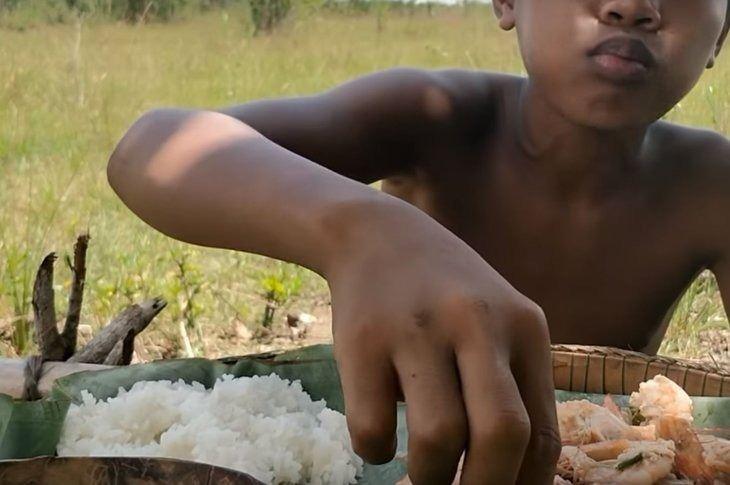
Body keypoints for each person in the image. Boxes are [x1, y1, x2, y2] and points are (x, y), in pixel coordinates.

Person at [105, 1, 730, 483]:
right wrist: (363, 232)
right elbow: (151, 148)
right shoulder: (432, 115)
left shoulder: (713, 185)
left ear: (723, 32)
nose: (630, 5)